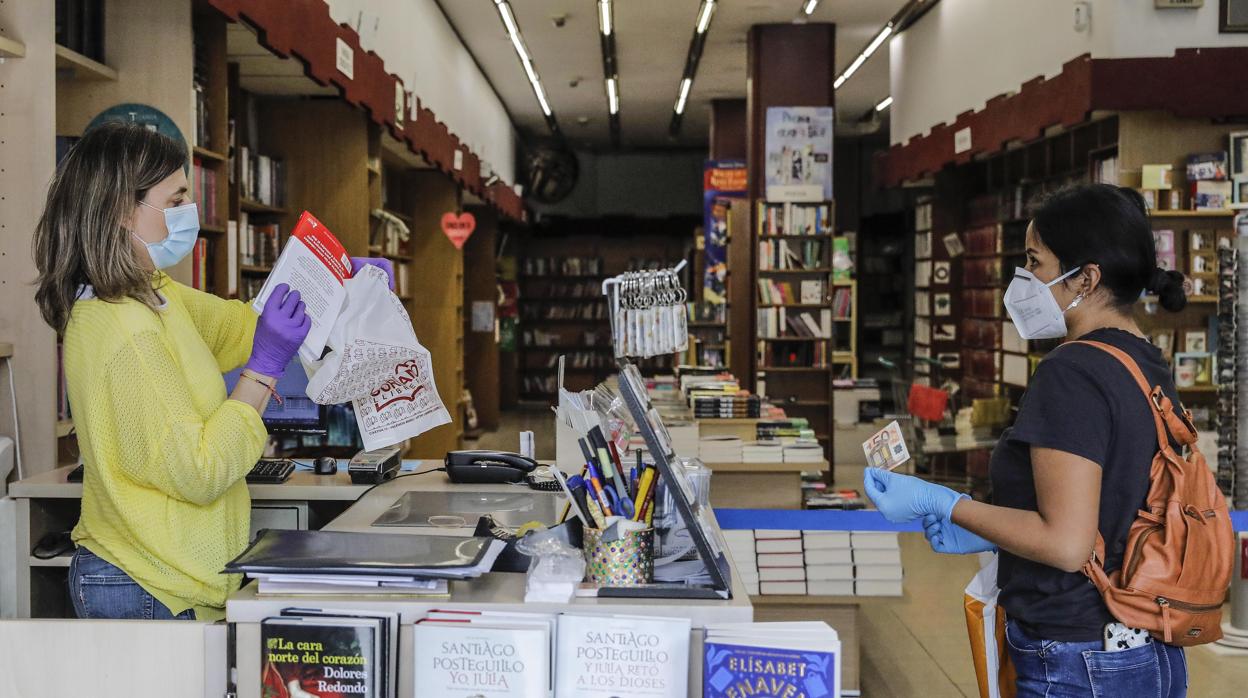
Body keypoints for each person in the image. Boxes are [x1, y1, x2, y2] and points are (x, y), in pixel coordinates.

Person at [32, 121, 393, 621]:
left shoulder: (154, 294)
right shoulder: (123, 327)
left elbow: (242, 327)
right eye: (176, 200)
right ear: (120, 210)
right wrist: (264, 370)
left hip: (172, 578)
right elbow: (200, 472)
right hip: (147, 583)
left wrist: (335, 288)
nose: (189, 215)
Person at [865, 184, 1190, 697]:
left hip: (1078, 656)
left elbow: (1066, 543)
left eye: (1035, 262)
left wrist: (949, 505)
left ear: (1086, 278)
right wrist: (995, 531)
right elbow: (1105, 507)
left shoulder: (1073, 371)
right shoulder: (1143, 360)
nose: (1024, 279)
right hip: (1143, 648)